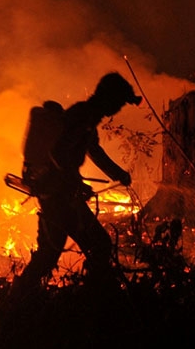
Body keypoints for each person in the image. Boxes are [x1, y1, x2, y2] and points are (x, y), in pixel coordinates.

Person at [13, 72, 142, 294]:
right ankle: (93, 298)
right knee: (96, 245)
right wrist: (77, 182)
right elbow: (58, 153)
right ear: (108, 98)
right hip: (59, 197)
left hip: (61, 194)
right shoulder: (82, 116)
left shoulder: (87, 117)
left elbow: (94, 150)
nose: (119, 108)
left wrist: (119, 173)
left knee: (53, 253)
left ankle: (19, 299)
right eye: (119, 102)